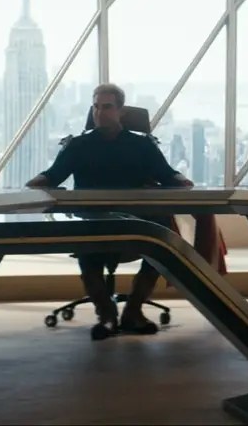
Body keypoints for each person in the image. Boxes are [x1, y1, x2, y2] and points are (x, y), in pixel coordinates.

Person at [28, 84, 192, 340]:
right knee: (88, 252)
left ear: (120, 111)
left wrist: (182, 181)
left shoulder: (142, 145)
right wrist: (33, 184)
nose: (99, 112)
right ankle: (106, 316)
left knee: (163, 240)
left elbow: (167, 174)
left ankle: (133, 312)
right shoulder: (79, 145)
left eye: (106, 107)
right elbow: (53, 175)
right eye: (95, 107)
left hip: (136, 222)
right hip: (93, 220)